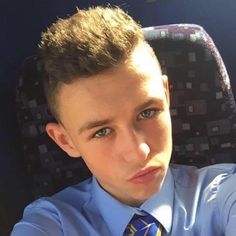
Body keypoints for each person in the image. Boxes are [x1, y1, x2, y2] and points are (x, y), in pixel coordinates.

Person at [11, 6, 236, 236]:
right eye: (102, 131)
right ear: (65, 140)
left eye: (147, 113)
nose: (138, 152)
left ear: (166, 95)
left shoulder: (223, 194)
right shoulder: (51, 223)